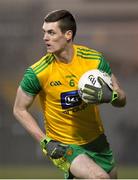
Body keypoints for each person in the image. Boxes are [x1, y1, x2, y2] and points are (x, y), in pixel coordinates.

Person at [13, 9, 126, 179]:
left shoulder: (94, 60)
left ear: (68, 35)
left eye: (51, 32)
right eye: (44, 32)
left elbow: (121, 99)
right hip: (65, 146)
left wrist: (113, 96)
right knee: (100, 178)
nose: (45, 38)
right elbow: (19, 109)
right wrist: (46, 142)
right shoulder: (37, 72)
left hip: (97, 142)